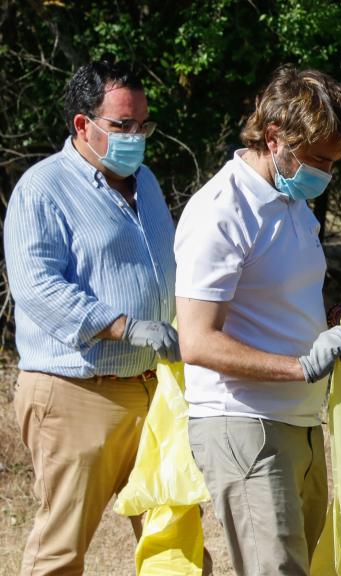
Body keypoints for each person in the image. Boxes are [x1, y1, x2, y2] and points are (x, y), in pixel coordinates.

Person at [174, 66, 341, 576]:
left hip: (300, 421)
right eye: (319, 159)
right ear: (274, 138)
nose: (327, 172)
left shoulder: (293, 203)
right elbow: (196, 341)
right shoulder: (222, 210)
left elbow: (280, 302)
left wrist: (338, 317)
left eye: (334, 161)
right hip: (245, 423)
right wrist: (300, 367)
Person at [4, 59, 178, 575]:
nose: (136, 137)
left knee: (173, 540)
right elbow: (37, 287)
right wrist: (123, 325)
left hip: (152, 391)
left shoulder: (144, 181)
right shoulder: (43, 189)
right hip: (76, 393)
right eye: (122, 126)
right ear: (84, 124)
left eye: (143, 124)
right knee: (61, 549)